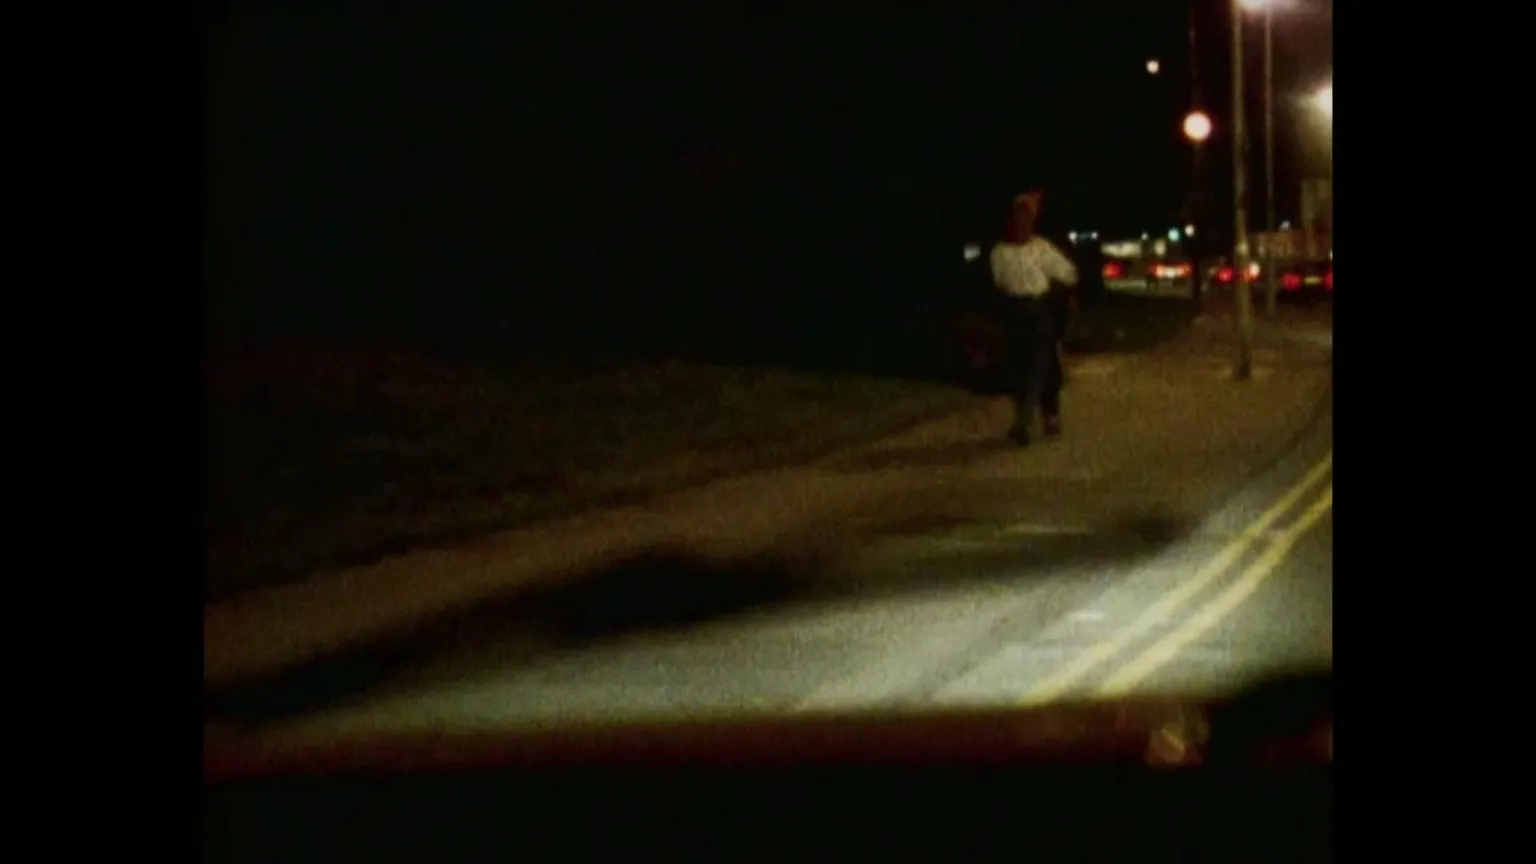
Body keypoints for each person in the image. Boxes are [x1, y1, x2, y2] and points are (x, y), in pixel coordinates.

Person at [988, 192, 1079, 445]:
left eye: (1026, 218)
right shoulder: (1000, 252)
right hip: (1012, 313)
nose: (1021, 224)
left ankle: (1032, 418)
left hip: (1037, 311)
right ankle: (1025, 413)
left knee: (1041, 362)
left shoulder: (1040, 248)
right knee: (1018, 365)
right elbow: (1000, 283)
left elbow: (1067, 273)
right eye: (1018, 217)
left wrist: (1060, 292)